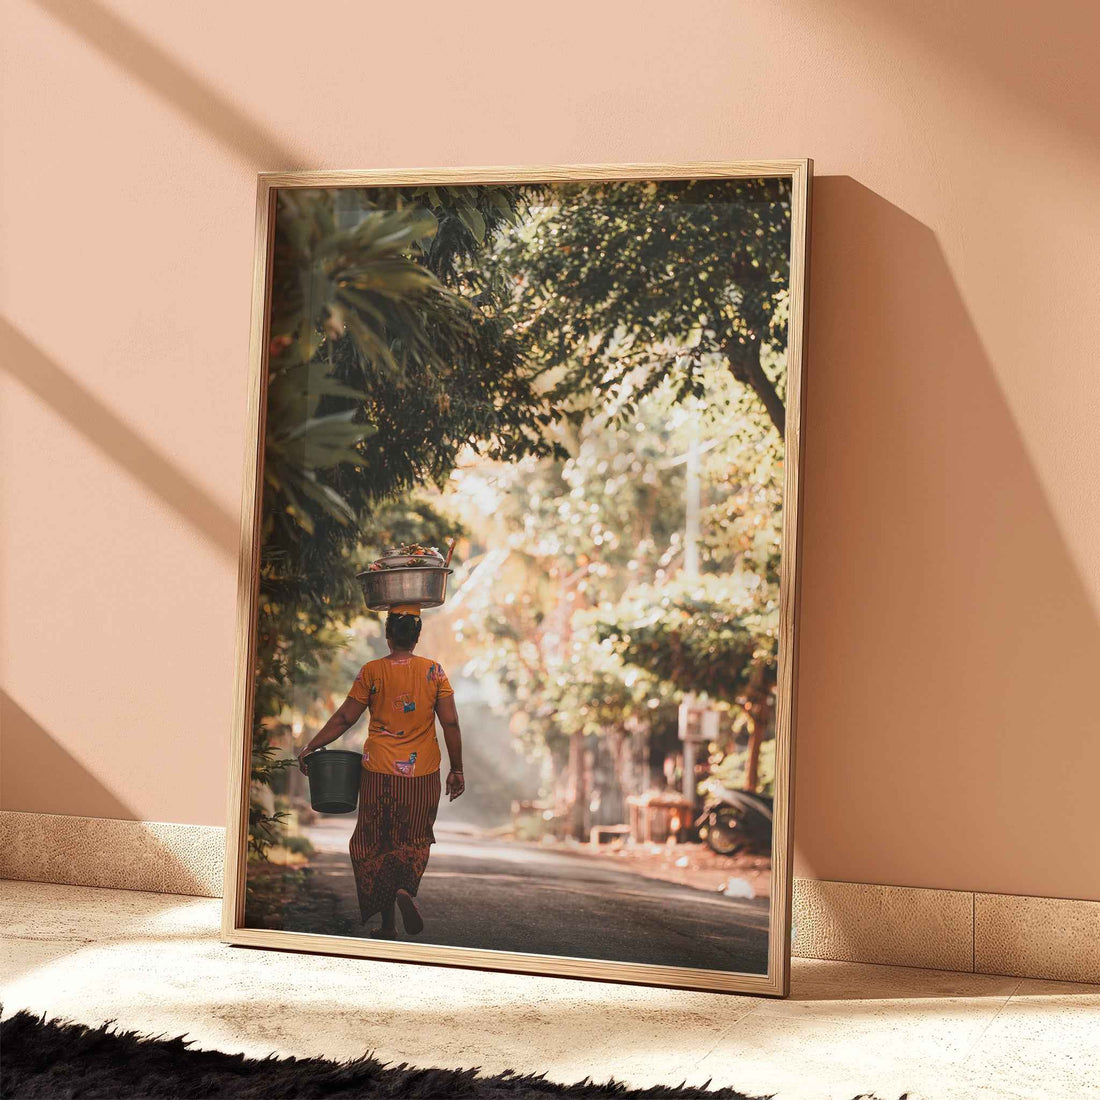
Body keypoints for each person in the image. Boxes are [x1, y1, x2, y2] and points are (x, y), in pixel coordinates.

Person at [297, 604, 464, 939]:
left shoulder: (372, 672)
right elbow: (450, 722)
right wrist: (457, 769)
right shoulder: (434, 672)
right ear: (416, 637)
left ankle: (388, 924)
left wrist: (312, 745)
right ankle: (403, 890)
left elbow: (345, 717)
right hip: (422, 775)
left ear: (388, 636)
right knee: (414, 839)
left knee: (375, 844)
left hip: (378, 773)